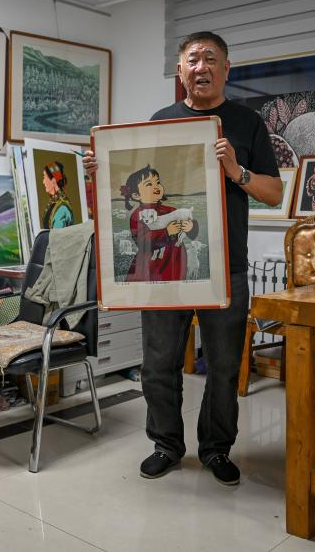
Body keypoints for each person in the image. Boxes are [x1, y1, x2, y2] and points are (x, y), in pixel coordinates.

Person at [84, 31, 282, 485]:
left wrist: (237, 171)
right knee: (158, 363)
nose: (201, 67)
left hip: (227, 268)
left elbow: (274, 192)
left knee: (224, 365)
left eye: (211, 58)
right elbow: (135, 187)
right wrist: (100, 170)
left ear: (226, 68)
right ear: (180, 71)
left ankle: (216, 449)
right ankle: (166, 445)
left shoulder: (247, 123)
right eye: (193, 59)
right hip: (162, 272)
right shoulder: (161, 121)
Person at [120, 164, 198, 282]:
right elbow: (142, 242)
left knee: (172, 288)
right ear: (136, 195)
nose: (156, 186)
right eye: (149, 184)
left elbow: (191, 232)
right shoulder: (137, 215)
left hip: (173, 261)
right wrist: (167, 232)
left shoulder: (171, 210)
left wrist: (190, 227)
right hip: (150, 264)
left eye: (157, 182)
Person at [41, 161, 74, 229]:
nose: (43, 182)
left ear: (53, 181)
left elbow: (57, 234)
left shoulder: (62, 208)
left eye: (44, 177)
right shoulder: (53, 202)